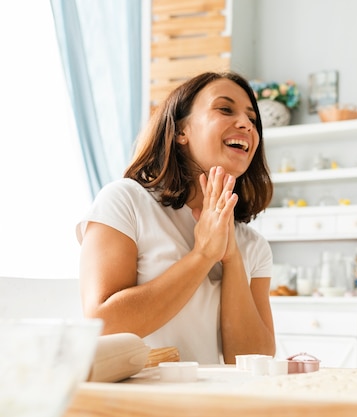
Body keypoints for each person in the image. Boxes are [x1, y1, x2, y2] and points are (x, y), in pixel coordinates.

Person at [76, 71, 276, 364]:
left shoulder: (253, 245)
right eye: (225, 109)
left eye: (253, 119)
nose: (246, 124)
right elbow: (103, 326)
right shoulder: (125, 202)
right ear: (181, 131)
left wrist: (232, 257)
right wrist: (204, 254)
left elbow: (254, 361)